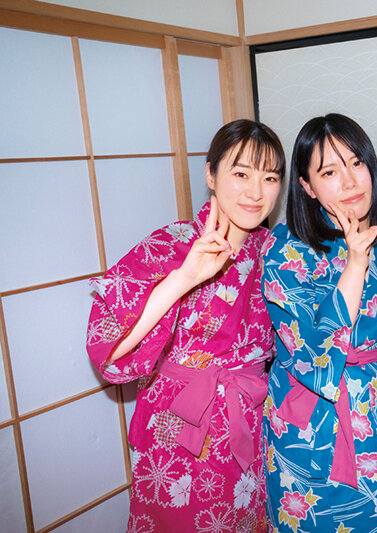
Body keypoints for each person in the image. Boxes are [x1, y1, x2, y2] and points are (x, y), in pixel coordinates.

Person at [86, 119, 284, 532]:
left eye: (270, 178)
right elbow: (110, 352)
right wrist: (183, 279)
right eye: (241, 174)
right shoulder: (170, 243)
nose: (256, 192)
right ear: (211, 174)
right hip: (176, 430)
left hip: (249, 427)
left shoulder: (277, 252)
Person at [261, 113, 377, 532]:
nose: (350, 181)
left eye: (356, 163)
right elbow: (312, 348)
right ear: (307, 186)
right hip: (308, 421)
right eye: (329, 172)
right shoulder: (284, 247)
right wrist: (355, 262)